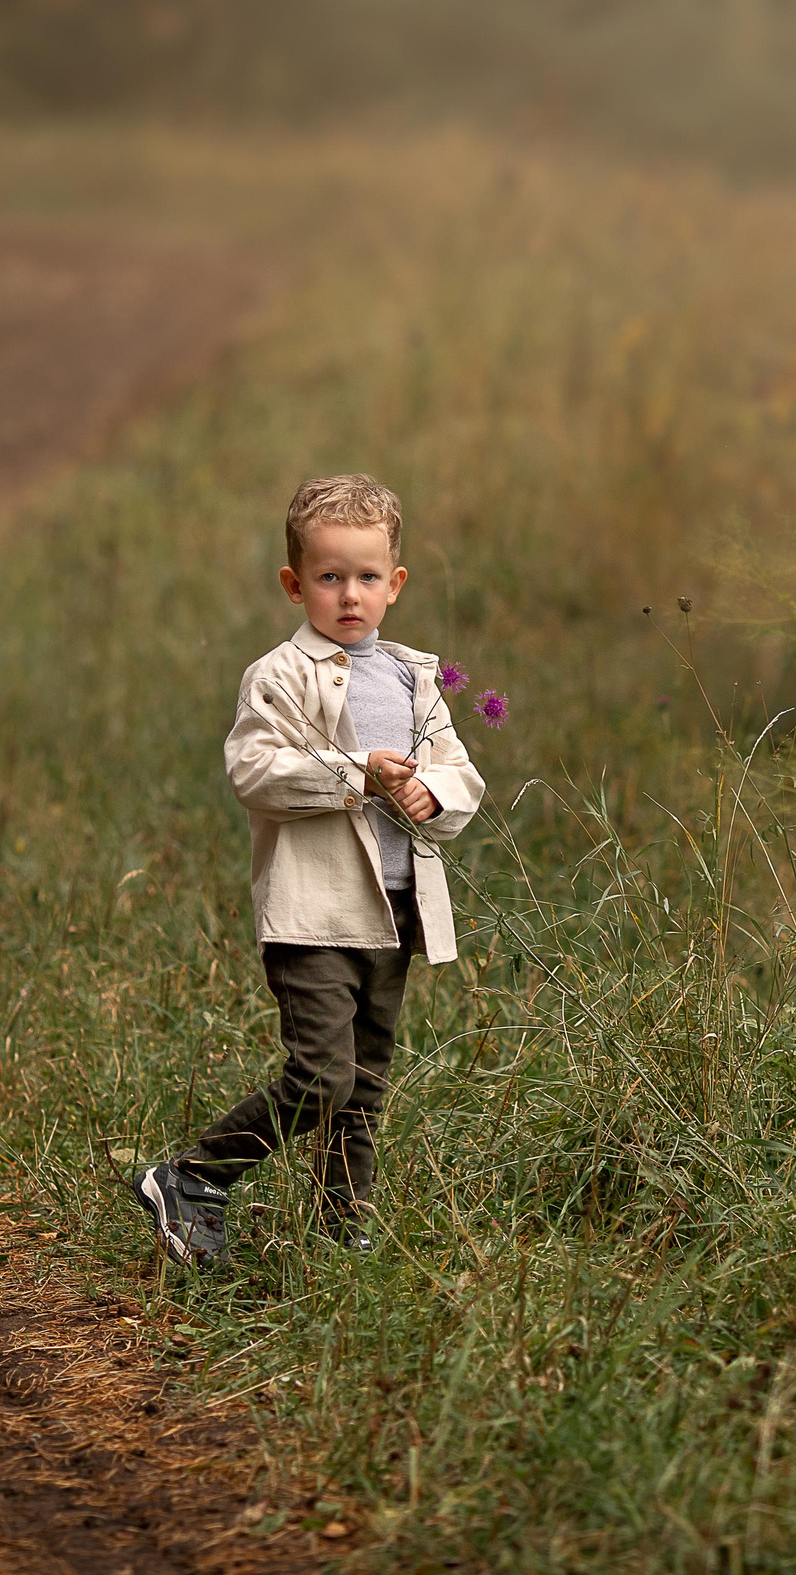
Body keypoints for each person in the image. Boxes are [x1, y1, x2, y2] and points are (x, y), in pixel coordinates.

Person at [130, 474, 484, 1263]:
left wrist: (433, 790)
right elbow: (255, 771)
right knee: (323, 1074)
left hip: (394, 912)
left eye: (366, 577)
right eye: (329, 577)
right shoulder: (279, 677)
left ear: (395, 584)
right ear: (296, 585)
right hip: (314, 915)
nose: (348, 595)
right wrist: (358, 770)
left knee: (364, 1086)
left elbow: (461, 774)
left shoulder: (413, 677)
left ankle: (343, 1226)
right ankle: (192, 1176)